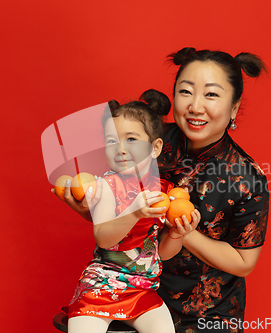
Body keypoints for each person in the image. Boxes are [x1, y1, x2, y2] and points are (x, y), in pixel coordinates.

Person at [55, 48, 269, 333]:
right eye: (185, 92)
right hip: (129, 288)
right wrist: (89, 208)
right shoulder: (147, 139)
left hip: (205, 312)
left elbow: (243, 262)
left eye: (212, 95)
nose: (195, 106)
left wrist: (180, 229)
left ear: (233, 107)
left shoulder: (247, 177)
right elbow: (114, 204)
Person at [59, 89, 201, 333]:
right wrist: (135, 212)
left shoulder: (166, 194)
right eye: (112, 141)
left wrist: (179, 234)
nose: (120, 149)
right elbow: (104, 238)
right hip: (102, 285)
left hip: (142, 288)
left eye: (131, 139)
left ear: (155, 148)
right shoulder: (107, 186)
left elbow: (163, 253)